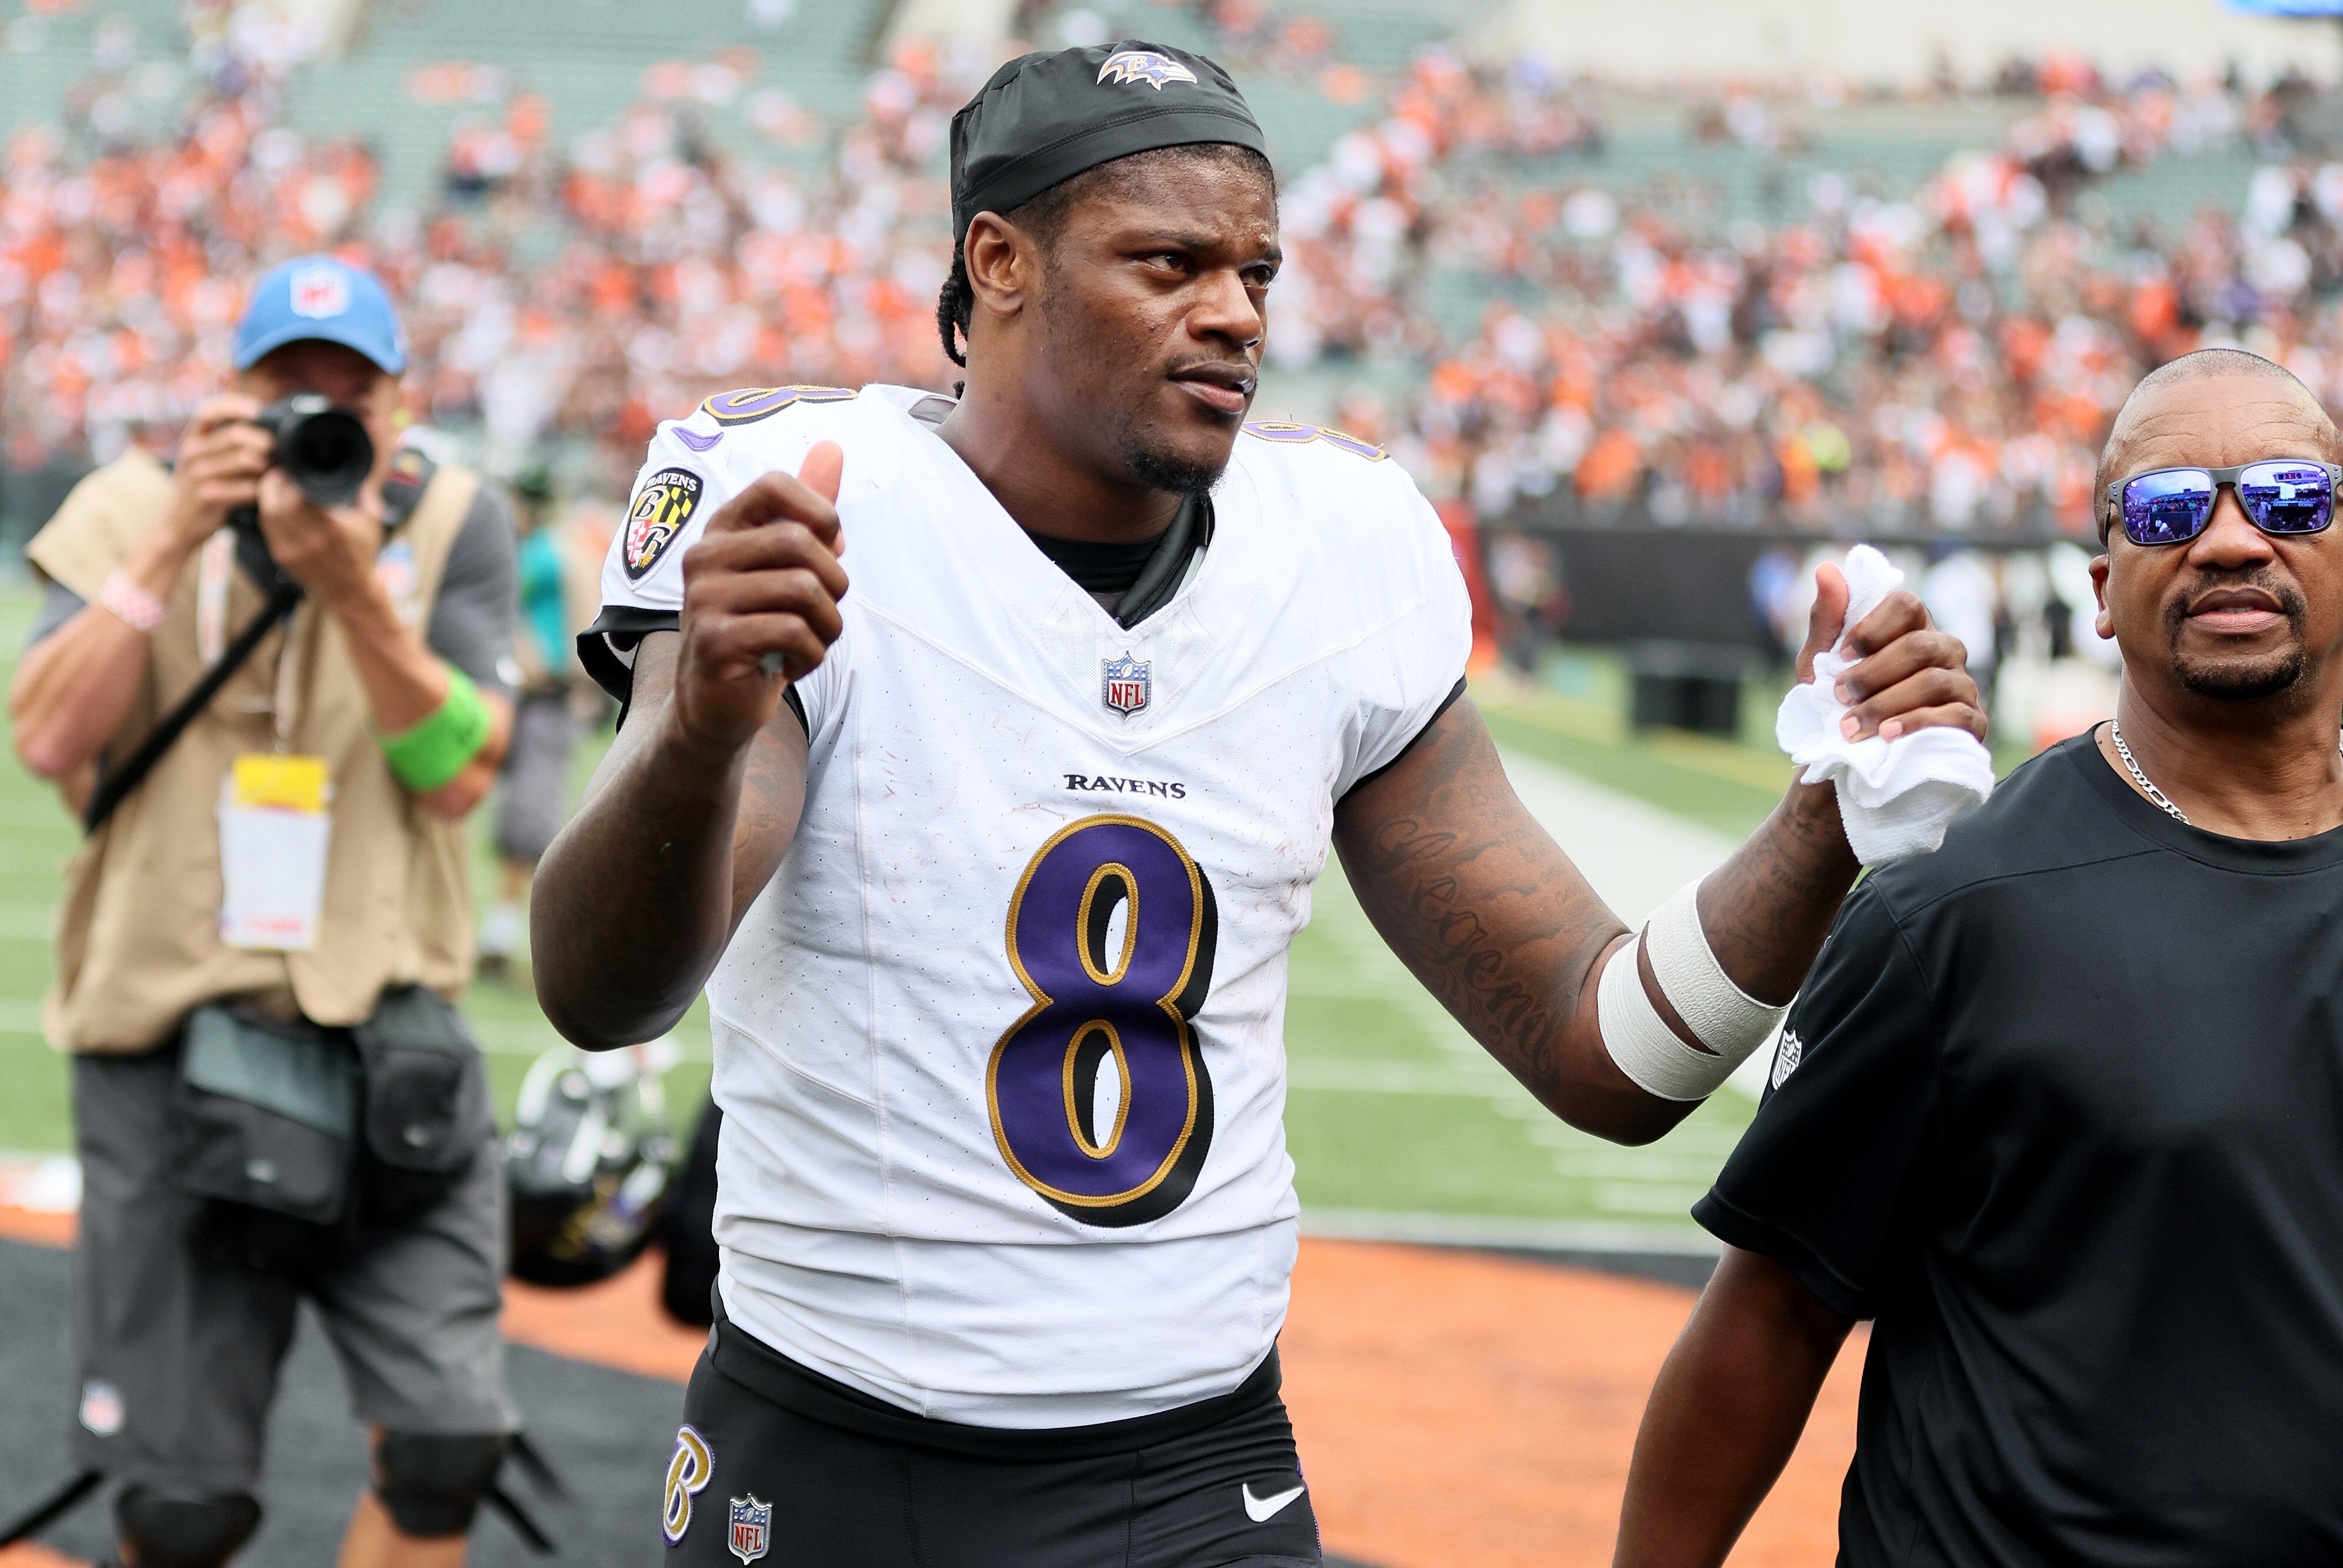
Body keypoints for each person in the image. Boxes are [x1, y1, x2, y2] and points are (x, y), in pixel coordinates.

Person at [532, 41, 1983, 1568]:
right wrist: (698, 732)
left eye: (1256, 272)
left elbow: (1600, 1046)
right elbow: (601, 987)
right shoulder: (814, 501)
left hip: (1198, 1467)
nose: (1233, 311)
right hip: (840, 1451)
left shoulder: (1339, 542)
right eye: (1169, 262)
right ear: (998, 261)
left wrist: (1822, 813)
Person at [1614, 347, 2343, 1566]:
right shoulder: (1956, 909)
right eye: (2169, 508)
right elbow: (1769, 1322)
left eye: (2285, 497)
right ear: (2102, 589)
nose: (2229, 540)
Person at [5, 255, 527, 1568]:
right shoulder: (128, 503)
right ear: (229, 395)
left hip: (384, 1031)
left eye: (347, 393)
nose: (317, 419)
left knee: (446, 1441)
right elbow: (47, 734)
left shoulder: (450, 518)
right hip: (166, 1029)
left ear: (398, 403)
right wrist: (177, 535)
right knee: (179, 1508)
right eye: (286, 392)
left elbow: (463, 774)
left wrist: (355, 589)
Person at [479, 461, 582, 981]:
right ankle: (506, 938)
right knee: (529, 820)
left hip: (545, 695)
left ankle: (501, 937)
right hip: (537, 694)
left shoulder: (541, 550)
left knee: (530, 820)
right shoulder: (540, 551)